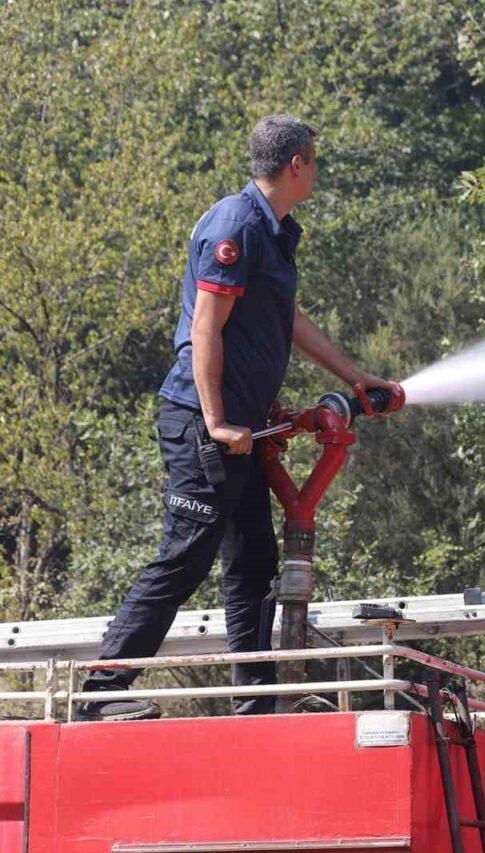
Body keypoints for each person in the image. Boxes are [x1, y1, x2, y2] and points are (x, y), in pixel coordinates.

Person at [76, 115, 395, 721]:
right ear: (296, 164)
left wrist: (353, 377)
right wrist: (219, 421)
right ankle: (99, 692)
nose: (318, 170)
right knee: (186, 554)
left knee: (252, 562)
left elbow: (287, 320)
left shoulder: (275, 230)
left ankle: (255, 700)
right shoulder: (236, 225)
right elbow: (205, 328)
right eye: (316, 160)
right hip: (202, 426)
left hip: (238, 432)